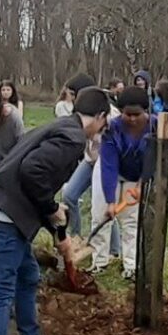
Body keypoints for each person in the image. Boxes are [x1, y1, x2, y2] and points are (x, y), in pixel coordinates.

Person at [0, 87, 111, 335]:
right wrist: (52, 209)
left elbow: (35, 174)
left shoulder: (62, 126)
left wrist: (58, 231)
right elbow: (33, 172)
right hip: (9, 214)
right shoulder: (73, 138)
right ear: (101, 117)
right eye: (104, 124)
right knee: (0, 294)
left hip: (5, 208)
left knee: (28, 276)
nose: (102, 131)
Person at [90, 87, 154, 279]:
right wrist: (110, 200)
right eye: (128, 114)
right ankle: (99, 262)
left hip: (137, 176)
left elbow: (153, 159)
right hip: (110, 171)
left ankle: (131, 266)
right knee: (101, 216)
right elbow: (109, 165)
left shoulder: (155, 127)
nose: (133, 119)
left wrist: (142, 184)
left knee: (131, 221)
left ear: (146, 111)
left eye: (137, 114)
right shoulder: (112, 128)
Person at [60, 74, 120, 259]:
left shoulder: (110, 114)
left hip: (106, 164)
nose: (70, 98)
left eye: (72, 94)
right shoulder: (79, 111)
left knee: (103, 208)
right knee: (69, 194)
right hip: (89, 160)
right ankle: (77, 236)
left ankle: (113, 250)